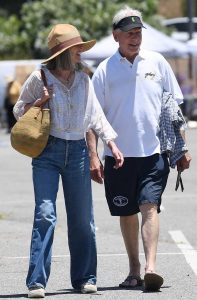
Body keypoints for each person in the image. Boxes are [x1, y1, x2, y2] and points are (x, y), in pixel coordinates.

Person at [13, 23, 124, 298]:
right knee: (45, 214)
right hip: (47, 151)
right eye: (77, 49)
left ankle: (86, 278)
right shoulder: (40, 78)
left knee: (82, 218)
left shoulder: (84, 79)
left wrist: (110, 142)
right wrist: (39, 102)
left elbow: (95, 115)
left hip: (76, 152)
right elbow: (18, 110)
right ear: (64, 52)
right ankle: (36, 282)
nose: (81, 54)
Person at [87, 6, 191, 292]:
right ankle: (134, 269)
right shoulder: (104, 71)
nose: (135, 39)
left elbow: (173, 109)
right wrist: (94, 155)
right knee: (127, 212)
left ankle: (151, 268)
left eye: (138, 33)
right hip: (118, 158)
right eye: (130, 34)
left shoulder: (157, 62)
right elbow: (92, 118)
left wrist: (181, 148)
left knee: (149, 207)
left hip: (154, 154)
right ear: (116, 36)